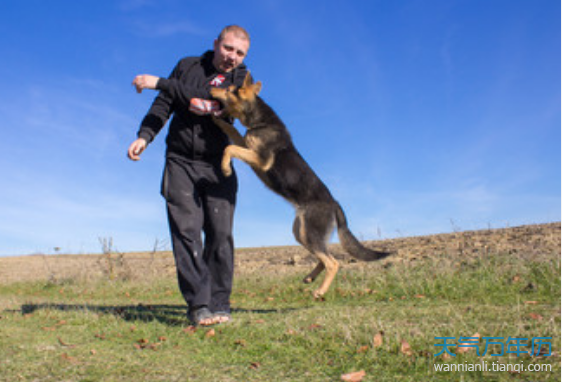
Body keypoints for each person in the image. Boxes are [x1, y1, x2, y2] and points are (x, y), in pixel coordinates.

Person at [127, 25, 251, 326]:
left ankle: (221, 303)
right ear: (216, 44)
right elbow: (165, 104)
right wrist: (145, 135)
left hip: (217, 163)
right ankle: (199, 305)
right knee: (186, 231)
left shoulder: (241, 79)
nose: (232, 57)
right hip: (180, 160)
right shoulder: (187, 66)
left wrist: (161, 82)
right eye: (228, 48)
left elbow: (209, 102)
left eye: (239, 53)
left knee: (220, 233)